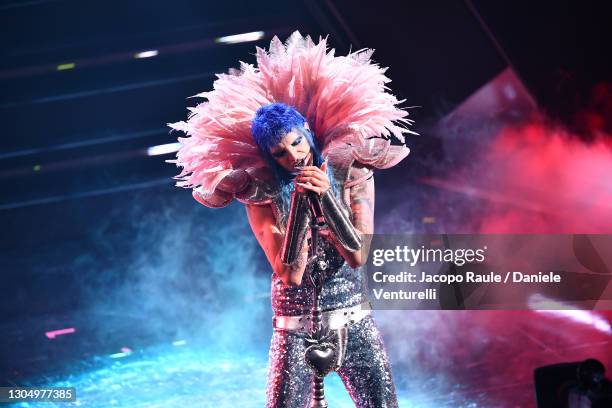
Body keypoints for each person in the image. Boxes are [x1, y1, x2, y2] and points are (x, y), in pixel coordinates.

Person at [169, 32, 415, 408]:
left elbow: (358, 255)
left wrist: (327, 196)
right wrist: (301, 201)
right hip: (295, 326)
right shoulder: (259, 195)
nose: (294, 155)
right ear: (271, 158)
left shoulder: (352, 172)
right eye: (281, 153)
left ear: (308, 133)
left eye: (297, 142)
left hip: (354, 317)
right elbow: (291, 274)